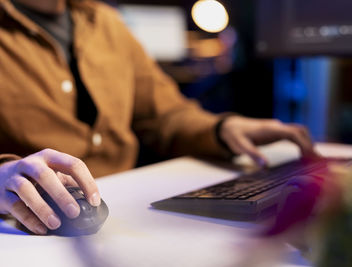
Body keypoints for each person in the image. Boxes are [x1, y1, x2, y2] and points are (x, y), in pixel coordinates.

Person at [0, 0, 316, 235]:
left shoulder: (106, 22)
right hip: (26, 232)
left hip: (123, 220)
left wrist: (223, 128)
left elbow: (164, 114)